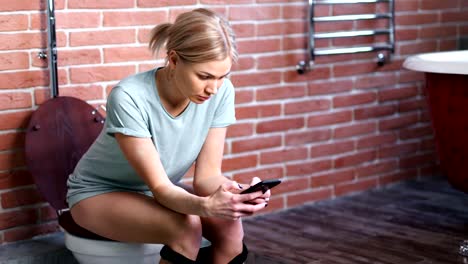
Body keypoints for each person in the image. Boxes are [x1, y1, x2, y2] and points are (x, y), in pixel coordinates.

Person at [66, 8, 271, 264]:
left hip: (157, 192)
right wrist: (207, 206)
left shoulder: (221, 92)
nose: (213, 88)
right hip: (99, 194)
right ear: (173, 60)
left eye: (222, 76)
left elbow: (207, 177)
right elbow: (161, 188)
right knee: (186, 227)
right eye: (204, 76)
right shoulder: (129, 97)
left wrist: (233, 195)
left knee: (230, 227)